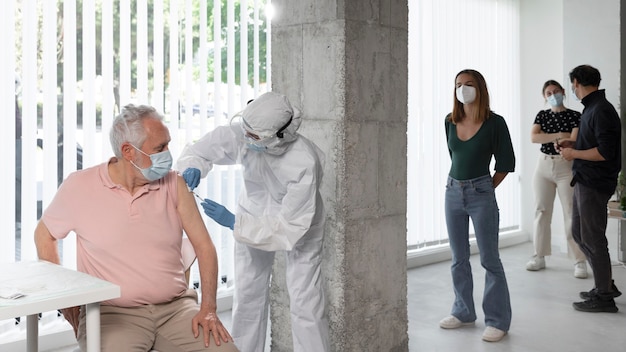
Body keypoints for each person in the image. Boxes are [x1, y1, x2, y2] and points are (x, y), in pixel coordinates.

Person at [34, 104, 238, 352]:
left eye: (168, 144)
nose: (168, 154)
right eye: (159, 148)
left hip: (177, 309)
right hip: (111, 314)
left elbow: (205, 247)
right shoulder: (79, 186)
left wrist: (208, 309)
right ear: (129, 152)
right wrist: (67, 301)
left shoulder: (175, 184)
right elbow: (44, 235)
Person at [177, 92, 329, 352]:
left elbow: (288, 228)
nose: (246, 139)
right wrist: (193, 166)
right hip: (252, 214)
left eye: (254, 137)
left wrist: (235, 222)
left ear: (279, 136)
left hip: (300, 225)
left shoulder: (303, 162)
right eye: (245, 132)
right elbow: (200, 150)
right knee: (248, 294)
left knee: (306, 301)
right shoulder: (248, 132)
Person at [439, 69, 514, 343]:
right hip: (452, 192)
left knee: (489, 258)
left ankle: (497, 320)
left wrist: (484, 187)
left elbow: (506, 162)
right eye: (458, 84)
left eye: (469, 84)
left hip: (481, 192)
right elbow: (454, 155)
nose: (463, 89)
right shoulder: (450, 120)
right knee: (458, 258)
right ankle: (463, 311)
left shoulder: (495, 123)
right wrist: (461, 187)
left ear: (480, 88)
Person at [557, 65, 622, 312]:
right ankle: (605, 284)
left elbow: (605, 152)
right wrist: (572, 143)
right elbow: (594, 141)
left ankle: (604, 296)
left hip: (594, 183)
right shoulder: (593, 108)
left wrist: (573, 153)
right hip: (585, 180)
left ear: (576, 82)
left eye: (572, 84)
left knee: (593, 237)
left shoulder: (600, 110)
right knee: (579, 234)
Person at [526, 80, 588, 278]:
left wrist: (550, 135)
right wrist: (559, 135)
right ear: (544, 96)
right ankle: (539, 255)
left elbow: (574, 139)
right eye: (548, 92)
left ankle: (579, 260)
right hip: (543, 165)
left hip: (566, 166)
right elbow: (534, 137)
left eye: (556, 91)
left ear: (563, 92)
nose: (553, 94)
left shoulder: (575, 115)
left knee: (571, 211)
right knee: (541, 210)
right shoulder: (542, 115)